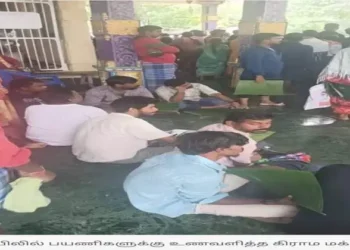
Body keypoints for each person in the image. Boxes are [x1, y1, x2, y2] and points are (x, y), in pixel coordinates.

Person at [124, 131, 298, 222]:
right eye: (237, 147)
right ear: (220, 150)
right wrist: (264, 203)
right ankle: (269, 208)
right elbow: (205, 200)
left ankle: (266, 207)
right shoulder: (200, 175)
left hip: (145, 188)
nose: (241, 150)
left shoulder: (182, 154)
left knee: (266, 169)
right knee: (289, 211)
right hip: (162, 203)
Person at [72, 96, 175, 163]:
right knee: (176, 149)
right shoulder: (134, 122)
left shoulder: (97, 119)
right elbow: (171, 140)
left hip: (85, 156)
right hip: (116, 159)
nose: (156, 109)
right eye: (151, 107)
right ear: (132, 109)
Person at [25, 87, 107, 146]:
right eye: (76, 94)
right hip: (72, 143)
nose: (80, 95)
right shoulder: (92, 111)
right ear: (71, 99)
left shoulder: (31, 109)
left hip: (36, 142)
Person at [199, 110, 272, 167]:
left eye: (267, 123)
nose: (263, 127)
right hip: (219, 166)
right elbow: (243, 163)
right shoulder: (245, 142)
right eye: (254, 124)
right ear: (231, 123)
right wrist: (257, 157)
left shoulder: (212, 126)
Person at [239, 33, 285, 108]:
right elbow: (254, 62)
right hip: (256, 73)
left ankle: (265, 100)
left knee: (267, 87)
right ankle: (244, 104)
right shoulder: (255, 50)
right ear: (265, 40)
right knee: (247, 87)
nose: (280, 40)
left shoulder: (269, 49)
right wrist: (258, 74)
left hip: (268, 73)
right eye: (277, 38)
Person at [133, 25, 179, 92]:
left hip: (157, 64)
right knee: (163, 85)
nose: (160, 33)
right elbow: (175, 49)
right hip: (157, 65)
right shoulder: (148, 40)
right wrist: (164, 51)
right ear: (147, 32)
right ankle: (162, 97)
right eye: (158, 31)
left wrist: (161, 51)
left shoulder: (143, 40)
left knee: (159, 84)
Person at [278, 33, 315, 108]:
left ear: (286, 38)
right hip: (300, 70)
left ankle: (280, 100)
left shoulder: (279, 47)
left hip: (283, 69)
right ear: (301, 39)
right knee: (299, 89)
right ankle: (296, 104)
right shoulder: (307, 48)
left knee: (282, 87)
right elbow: (309, 61)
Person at [155, 78, 239, 110]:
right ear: (173, 87)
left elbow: (216, 94)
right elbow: (174, 102)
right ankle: (216, 107)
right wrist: (181, 91)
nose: (189, 85)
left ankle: (227, 106)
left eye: (187, 83)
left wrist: (232, 101)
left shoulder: (196, 85)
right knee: (181, 106)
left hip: (197, 100)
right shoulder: (161, 90)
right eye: (185, 85)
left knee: (216, 100)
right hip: (180, 103)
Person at [317, 48, 350, 120]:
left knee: (343, 100)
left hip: (342, 80)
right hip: (344, 80)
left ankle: (344, 117)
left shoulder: (343, 51)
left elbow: (331, 67)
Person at [83, 75, 153, 110]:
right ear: (118, 85)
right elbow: (91, 108)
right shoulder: (95, 92)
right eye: (131, 83)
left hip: (136, 112)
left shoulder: (139, 89)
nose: (135, 84)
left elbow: (151, 101)